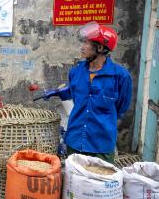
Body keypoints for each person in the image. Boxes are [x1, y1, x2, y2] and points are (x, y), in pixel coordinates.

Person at [48, 21, 132, 164]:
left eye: (87, 43)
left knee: (100, 183)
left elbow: (121, 107)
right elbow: (76, 96)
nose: (82, 47)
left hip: (102, 144)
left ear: (100, 47)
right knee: (73, 183)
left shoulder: (121, 76)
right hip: (75, 140)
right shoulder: (75, 72)